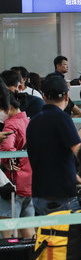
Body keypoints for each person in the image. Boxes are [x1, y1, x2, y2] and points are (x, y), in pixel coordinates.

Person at [26, 75, 81, 216]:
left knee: (46, 237)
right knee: (68, 237)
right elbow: (79, 151)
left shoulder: (33, 121)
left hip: (39, 193)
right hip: (61, 194)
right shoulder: (63, 118)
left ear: (44, 96)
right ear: (67, 96)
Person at [0, 89, 34, 238]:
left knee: (8, 234)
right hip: (30, 183)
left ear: (8, 108)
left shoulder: (10, 125)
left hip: (12, 184)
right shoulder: (28, 121)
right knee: (28, 230)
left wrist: (6, 161)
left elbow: (7, 147)